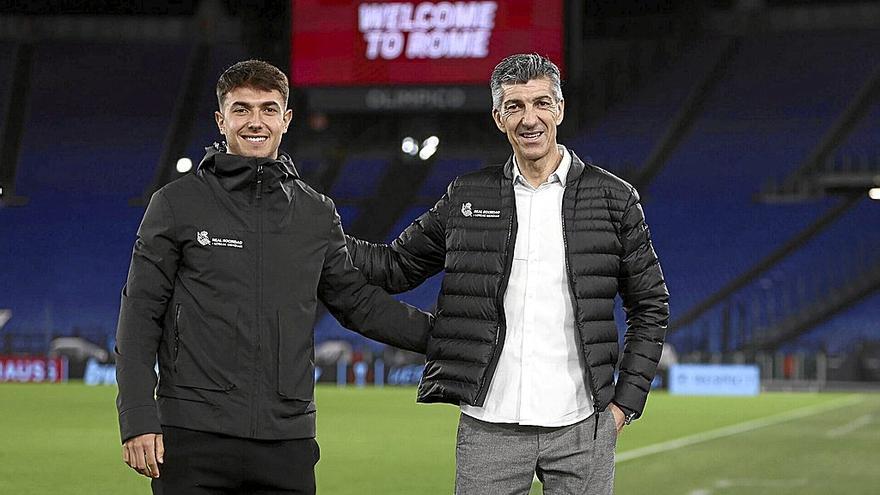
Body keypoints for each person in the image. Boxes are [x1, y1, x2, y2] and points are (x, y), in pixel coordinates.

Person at [346, 53, 670, 494]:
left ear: (559, 109)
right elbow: (395, 267)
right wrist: (320, 235)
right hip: (488, 427)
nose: (529, 118)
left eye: (540, 103)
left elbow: (650, 304)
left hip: (582, 424)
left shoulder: (613, 199)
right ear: (499, 117)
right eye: (515, 106)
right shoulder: (466, 195)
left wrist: (624, 406)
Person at [115, 59, 431, 494]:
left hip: (287, 442)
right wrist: (137, 418)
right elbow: (138, 316)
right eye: (241, 109)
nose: (255, 121)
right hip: (192, 439)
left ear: (286, 120)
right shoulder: (175, 204)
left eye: (267, 109)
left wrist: (446, 335)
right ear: (220, 120)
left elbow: (358, 304)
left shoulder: (315, 212)